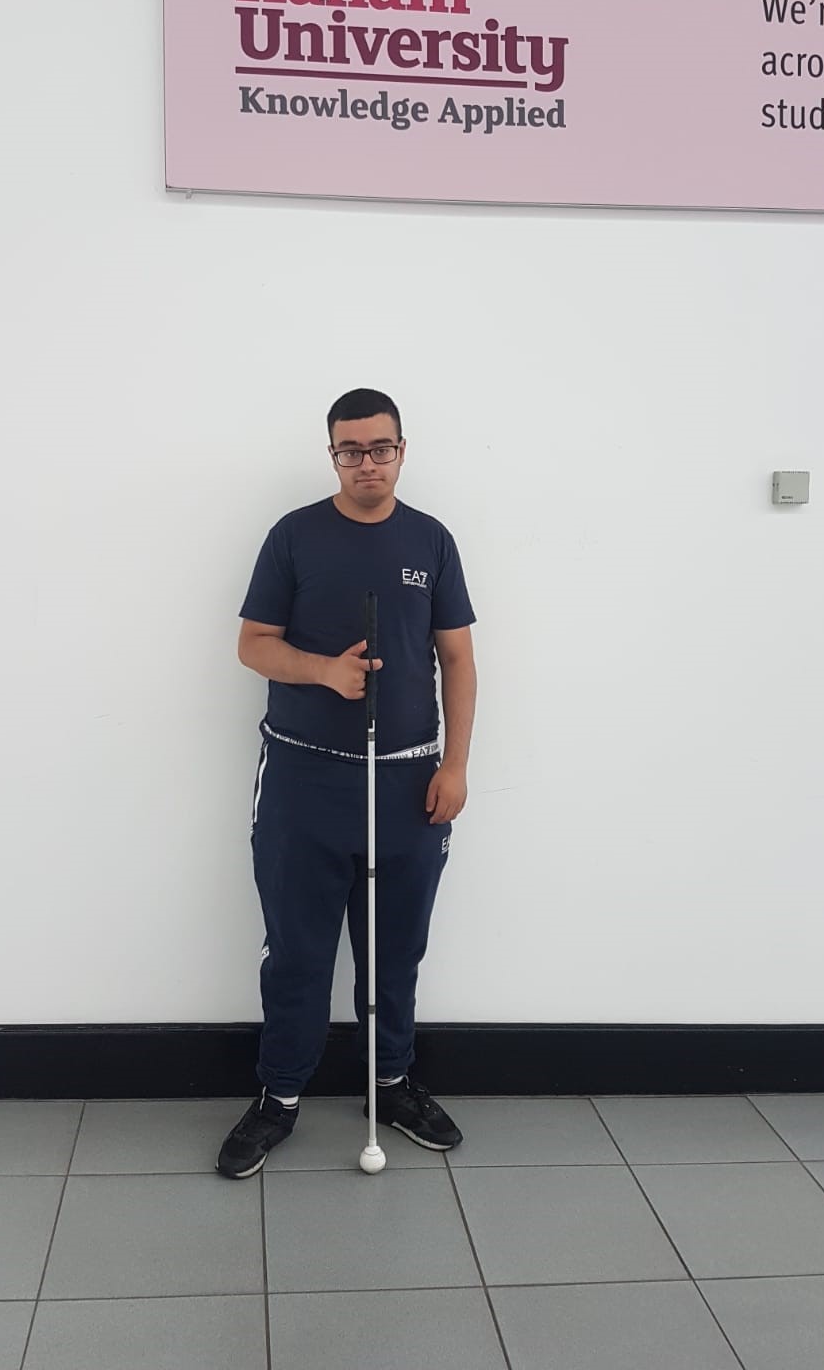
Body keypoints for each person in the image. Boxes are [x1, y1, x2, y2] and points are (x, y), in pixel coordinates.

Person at [216, 388, 477, 1178]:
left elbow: (458, 660)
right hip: (304, 777)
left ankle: (389, 1084)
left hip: (405, 783)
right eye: (350, 450)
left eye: (381, 447)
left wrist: (456, 766)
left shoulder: (430, 541)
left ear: (403, 449)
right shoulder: (294, 536)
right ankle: (280, 1097)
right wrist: (323, 672)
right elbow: (254, 645)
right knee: (296, 950)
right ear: (332, 453)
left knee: (394, 951)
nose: (367, 462)